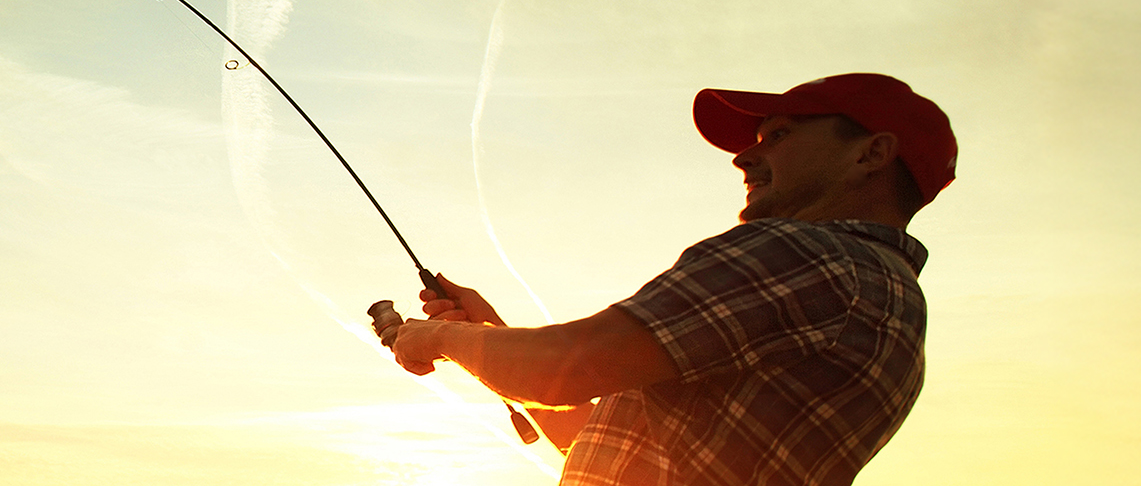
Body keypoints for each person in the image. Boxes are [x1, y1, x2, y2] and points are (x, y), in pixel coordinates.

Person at [375, 73, 955, 485]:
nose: (745, 159)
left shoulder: (809, 256)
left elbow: (556, 371)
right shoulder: (889, 302)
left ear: (872, 155)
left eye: (778, 136)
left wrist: (439, 339)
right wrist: (492, 335)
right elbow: (605, 444)